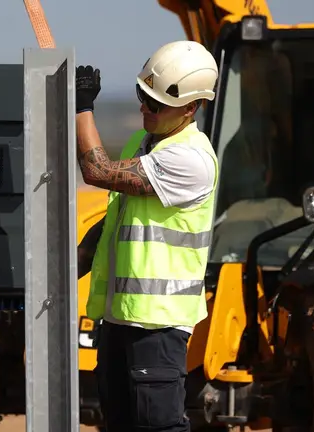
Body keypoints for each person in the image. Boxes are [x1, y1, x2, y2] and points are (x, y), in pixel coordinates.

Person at [74, 40, 220, 432]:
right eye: (142, 96)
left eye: (154, 104)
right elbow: (114, 224)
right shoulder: (150, 145)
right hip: (121, 320)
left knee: (159, 427)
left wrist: (82, 107)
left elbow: (98, 172)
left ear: (190, 108)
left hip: (157, 327)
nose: (144, 108)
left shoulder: (189, 158)